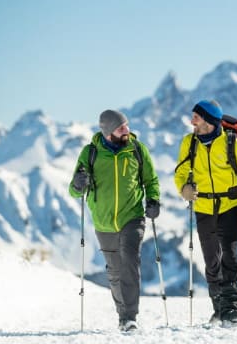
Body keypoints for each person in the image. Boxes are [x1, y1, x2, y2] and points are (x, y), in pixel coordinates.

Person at [69, 109, 160, 332]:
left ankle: (130, 316)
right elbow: (74, 191)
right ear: (109, 131)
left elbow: (151, 180)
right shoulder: (91, 153)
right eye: (121, 128)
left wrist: (154, 200)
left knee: (130, 261)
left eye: (127, 125)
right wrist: (78, 184)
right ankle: (122, 314)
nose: (127, 130)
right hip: (103, 221)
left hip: (133, 216)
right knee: (115, 271)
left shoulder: (137, 150)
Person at [174, 99, 237, 325]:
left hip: (229, 206)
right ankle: (218, 307)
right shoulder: (189, 142)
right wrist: (184, 189)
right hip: (203, 208)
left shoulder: (232, 144)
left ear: (209, 121)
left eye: (196, 117)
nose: (192, 121)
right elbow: (180, 173)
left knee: (229, 256)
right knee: (211, 260)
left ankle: (231, 309)